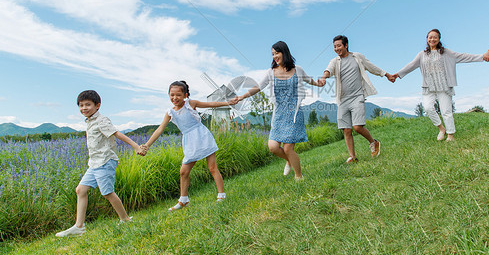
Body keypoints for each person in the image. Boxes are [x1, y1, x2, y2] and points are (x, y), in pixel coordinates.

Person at [56, 90, 143, 237]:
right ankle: (79, 227)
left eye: (88, 105)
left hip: (105, 161)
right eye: (81, 105)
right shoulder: (90, 121)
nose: (84, 108)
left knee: (107, 192)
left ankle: (125, 219)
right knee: (81, 190)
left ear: (97, 105)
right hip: (94, 163)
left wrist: (135, 146)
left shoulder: (101, 120)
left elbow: (117, 133)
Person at [141, 81, 236, 211]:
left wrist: (228, 103)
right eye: (172, 95)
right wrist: (147, 145)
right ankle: (183, 200)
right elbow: (160, 129)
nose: (175, 98)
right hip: (190, 142)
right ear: (168, 94)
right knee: (183, 171)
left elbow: (211, 104)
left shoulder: (190, 104)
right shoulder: (170, 112)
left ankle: (221, 195)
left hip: (202, 136)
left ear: (185, 95)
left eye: (178, 95)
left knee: (212, 167)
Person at [235, 41, 322, 180]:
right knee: (273, 147)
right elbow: (258, 87)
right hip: (279, 114)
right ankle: (289, 160)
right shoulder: (271, 72)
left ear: (284, 52)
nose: (275, 56)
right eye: (273, 54)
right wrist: (242, 96)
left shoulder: (297, 70)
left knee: (288, 148)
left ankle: (298, 176)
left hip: (294, 114)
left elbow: (308, 79)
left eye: (277, 53)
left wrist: (319, 83)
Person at [391, 29, 484, 141]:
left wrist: (483, 57)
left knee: (446, 111)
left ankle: (450, 135)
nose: (432, 39)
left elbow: (464, 56)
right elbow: (411, 65)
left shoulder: (446, 53)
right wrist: (398, 74)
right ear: (427, 39)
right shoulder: (422, 55)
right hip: (428, 86)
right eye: (430, 37)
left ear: (439, 39)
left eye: (435, 37)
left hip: (444, 85)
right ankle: (441, 129)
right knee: (428, 108)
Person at [318, 35, 394, 163]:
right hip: (342, 99)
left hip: (357, 96)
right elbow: (328, 70)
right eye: (335, 46)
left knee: (357, 127)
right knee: (346, 130)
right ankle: (352, 157)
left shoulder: (357, 57)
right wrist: (324, 77)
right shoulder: (334, 61)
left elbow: (371, 67)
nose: (337, 48)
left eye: (339, 46)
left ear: (346, 45)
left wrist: (386, 74)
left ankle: (373, 142)